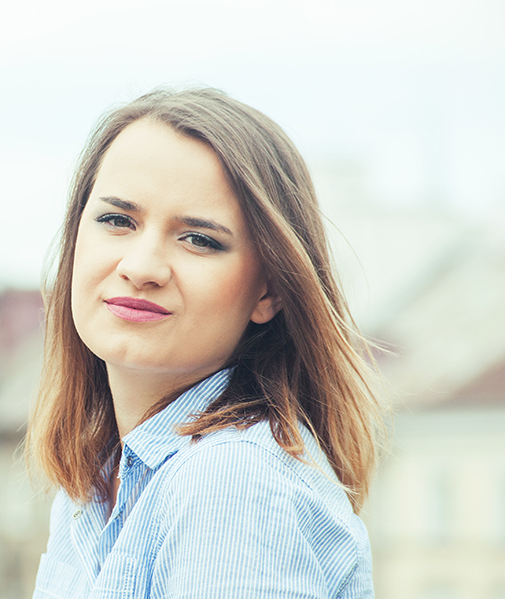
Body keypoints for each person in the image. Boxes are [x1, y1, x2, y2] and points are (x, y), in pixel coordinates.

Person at [25, 87, 384, 598]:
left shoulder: (230, 482)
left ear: (270, 290)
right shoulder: (99, 484)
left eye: (199, 239)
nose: (142, 267)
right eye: (117, 220)